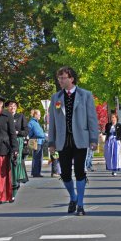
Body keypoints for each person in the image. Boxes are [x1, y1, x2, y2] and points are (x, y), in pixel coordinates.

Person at [48, 66, 99, 216]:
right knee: (64, 173)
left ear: (71, 78)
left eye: (63, 78)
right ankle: (73, 197)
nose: (60, 81)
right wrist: (51, 142)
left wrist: (94, 139)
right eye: (59, 78)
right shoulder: (56, 97)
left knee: (79, 171)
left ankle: (81, 205)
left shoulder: (85, 95)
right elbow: (53, 122)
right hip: (63, 140)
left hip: (80, 139)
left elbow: (92, 119)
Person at [5, 100, 29, 201]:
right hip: (7, 142)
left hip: (18, 141)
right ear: (7, 107)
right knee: (8, 163)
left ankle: (17, 180)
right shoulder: (5, 116)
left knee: (17, 161)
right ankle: (10, 183)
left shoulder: (20, 116)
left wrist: (17, 132)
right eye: (10, 106)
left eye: (14, 106)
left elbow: (26, 131)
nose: (12, 107)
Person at [28, 109, 45, 177]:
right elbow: (38, 133)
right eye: (39, 114)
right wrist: (45, 135)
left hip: (38, 141)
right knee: (37, 157)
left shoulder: (35, 122)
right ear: (35, 115)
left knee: (38, 157)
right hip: (36, 141)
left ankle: (37, 172)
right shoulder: (33, 122)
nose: (40, 116)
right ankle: (36, 173)